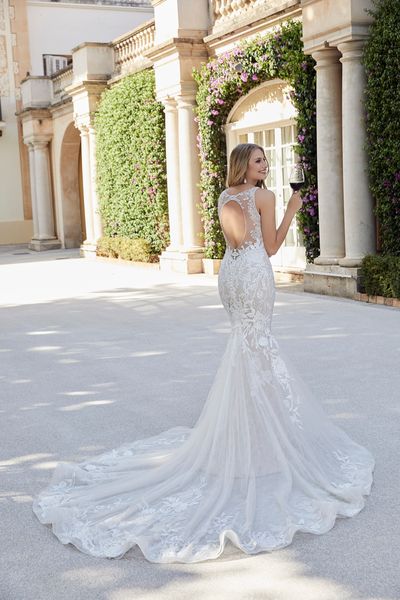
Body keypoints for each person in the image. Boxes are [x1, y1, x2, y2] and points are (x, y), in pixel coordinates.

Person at [32, 143, 375, 564]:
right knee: (258, 350)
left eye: (265, 160)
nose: (265, 165)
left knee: (245, 351)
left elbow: (237, 243)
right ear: (244, 167)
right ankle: (264, 440)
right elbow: (269, 247)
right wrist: (293, 207)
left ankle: (251, 434)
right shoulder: (264, 196)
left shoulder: (224, 196)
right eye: (259, 161)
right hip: (252, 275)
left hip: (231, 275)